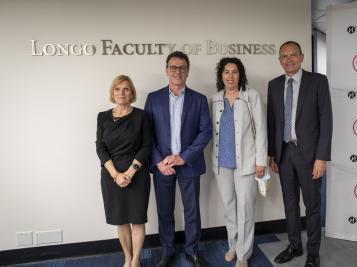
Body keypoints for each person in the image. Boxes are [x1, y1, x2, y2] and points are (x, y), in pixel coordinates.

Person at [267, 41, 333, 267]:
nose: (289, 59)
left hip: (310, 156)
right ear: (279, 60)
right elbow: (272, 122)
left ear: (302, 57)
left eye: (293, 55)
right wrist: (272, 154)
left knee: (312, 205)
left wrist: (321, 157)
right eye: (284, 56)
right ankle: (295, 246)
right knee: (290, 203)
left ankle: (313, 252)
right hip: (284, 154)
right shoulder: (274, 85)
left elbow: (326, 120)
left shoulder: (318, 81)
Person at [144, 51, 212, 267]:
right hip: (163, 167)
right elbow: (147, 133)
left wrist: (184, 157)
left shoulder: (199, 99)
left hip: (188, 164)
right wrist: (158, 162)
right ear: (166, 71)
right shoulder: (153, 98)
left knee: (192, 211)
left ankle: (192, 251)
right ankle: (167, 251)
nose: (178, 71)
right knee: (165, 211)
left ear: (188, 71)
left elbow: (206, 132)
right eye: (173, 67)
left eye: (182, 67)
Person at [211, 57, 268, 267]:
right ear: (221, 75)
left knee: (245, 208)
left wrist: (261, 161)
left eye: (235, 72)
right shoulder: (215, 98)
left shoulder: (251, 96)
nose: (230, 76)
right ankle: (233, 245)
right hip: (222, 162)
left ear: (240, 75)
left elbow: (261, 130)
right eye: (226, 72)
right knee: (229, 207)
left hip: (247, 162)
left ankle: (244, 253)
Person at [96, 75, 152, 267]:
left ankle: (136, 260)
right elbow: (100, 148)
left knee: (137, 220)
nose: (121, 92)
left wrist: (129, 173)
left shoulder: (142, 116)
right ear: (113, 92)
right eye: (117, 89)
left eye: (126, 89)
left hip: (136, 174)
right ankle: (127, 257)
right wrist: (116, 175)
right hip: (112, 175)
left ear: (132, 93)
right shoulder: (102, 117)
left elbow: (146, 147)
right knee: (120, 220)